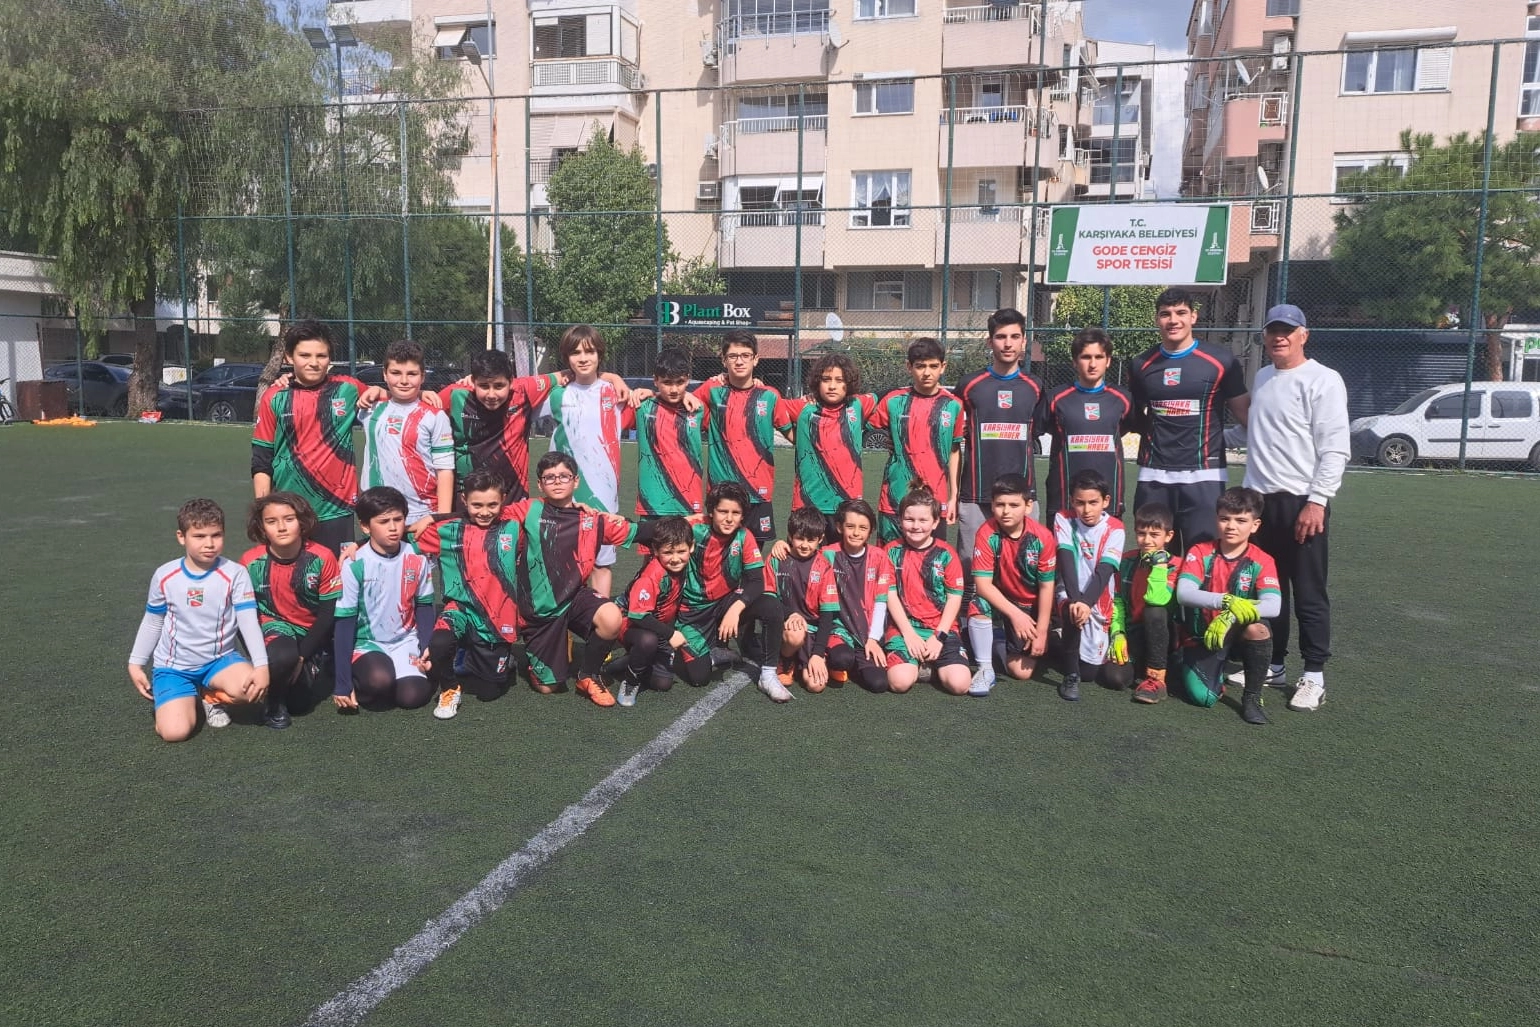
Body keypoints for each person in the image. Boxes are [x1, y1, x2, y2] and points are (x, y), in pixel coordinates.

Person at [1224, 304, 1348, 712]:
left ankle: (1314, 676)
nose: (1280, 337)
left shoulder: (1324, 380)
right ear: (1265, 336)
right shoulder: (1263, 378)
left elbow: (1335, 449)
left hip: (1301, 503)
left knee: (1309, 592)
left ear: (1303, 335)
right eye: (1273, 331)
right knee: (1269, 590)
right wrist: (1203, 435)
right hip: (1259, 504)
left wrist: (1317, 501)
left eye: (1288, 331)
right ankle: (1273, 665)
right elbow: (1252, 432)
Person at [506, 451, 656, 707]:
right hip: (540, 611)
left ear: (576, 481)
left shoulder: (591, 518)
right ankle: (547, 650)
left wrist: (692, 522)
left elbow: (640, 531)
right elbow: (485, 516)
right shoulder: (528, 509)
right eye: (549, 477)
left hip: (574, 597)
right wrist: (437, 519)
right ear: (540, 484)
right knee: (547, 687)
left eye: (564, 476)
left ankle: (588, 675)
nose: (557, 481)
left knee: (611, 616)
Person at [128, 498, 271, 742]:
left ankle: (210, 697)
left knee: (253, 689)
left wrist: (261, 666)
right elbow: (153, 621)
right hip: (174, 668)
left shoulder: (235, 574)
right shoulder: (165, 575)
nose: (209, 544)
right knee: (174, 732)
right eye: (199, 536)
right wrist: (135, 663)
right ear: (181, 537)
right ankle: (178, 700)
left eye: (216, 535)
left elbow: (248, 621)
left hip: (219, 661)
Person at [1128, 287, 1249, 552]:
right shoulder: (1140, 364)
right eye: (1166, 314)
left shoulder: (1221, 361)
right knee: (1155, 560)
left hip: (1204, 476)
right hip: (1155, 476)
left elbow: (1247, 417)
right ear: (1156, 319)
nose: (1173, 320)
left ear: (1193, 316)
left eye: (1181, 312)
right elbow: (1134, 417)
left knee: (1201, 558)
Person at [413, 470, 525, 720]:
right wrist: (359, 543)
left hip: (497, 617)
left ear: (503, 500)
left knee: (489, 691)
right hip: (460, 609)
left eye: (492, 505)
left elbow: (551, 505)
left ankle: (495, 659)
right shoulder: (446, 530)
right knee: (439, 643)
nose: (484, 512)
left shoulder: (514, 524)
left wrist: (580, 507)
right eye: (477, 505)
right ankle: (450, 687)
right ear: (464, 500)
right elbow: (396, 537)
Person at [956, 308, 1046, 616]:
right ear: (989, 342)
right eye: (1000, 337)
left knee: (1023, 569)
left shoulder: (1035, 386)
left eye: (1014, 337)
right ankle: (967, 627)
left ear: (1024, 342)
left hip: (1023, 497)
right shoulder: (970, 385)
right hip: (975, 495)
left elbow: (1039, 429)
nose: (1008, 343)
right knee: (970, 570)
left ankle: (1019, 626)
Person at [252, 320, 370, 553]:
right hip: (290, 510)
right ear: (289, 357)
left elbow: (398, 400)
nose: (314, 363)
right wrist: (263, 511)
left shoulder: (349, 389)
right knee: (294, 573)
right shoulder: (274, 396)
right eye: (304, 355)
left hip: (338, 508)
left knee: (336, 573)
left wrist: (420, 393)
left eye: (321, 356)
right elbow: (261, 459)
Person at [1173, 487, 1282, 726]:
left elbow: (1274, 606)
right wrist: (1225, 600)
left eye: (1241, 520)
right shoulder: (1200, 551)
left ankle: (1252, 697)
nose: (1231, 526)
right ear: (1217, 520)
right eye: (1225, 519)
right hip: (1204, 636)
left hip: (1237, 633)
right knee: (1204, 698)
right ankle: (1195, 664)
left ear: (1255, 525)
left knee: (1258, 629)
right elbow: (1184, 593)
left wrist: (1232, 614)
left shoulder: (1262, 560)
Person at [540, 325, 635, 596]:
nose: (583, 358)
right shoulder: (556, 394)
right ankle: (564, 620)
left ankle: (599, 618)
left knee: (601, 564)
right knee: (563, 561)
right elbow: (518, 399)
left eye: (589, 352)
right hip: (563, 490)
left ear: (599, 355)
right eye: (575, 353)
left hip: (604, 493)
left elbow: (656, 396)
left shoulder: (615, 393)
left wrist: (616, 379)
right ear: (566, 358)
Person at [674, 482, 789, 701]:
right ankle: (714, 651)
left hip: (725, 604)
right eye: (723, 511)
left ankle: (768, 675)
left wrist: (735, 609)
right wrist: (616, 522)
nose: (729, 518)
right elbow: (653, 532)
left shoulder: (744, 536)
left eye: (735, 513)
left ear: (743, 515)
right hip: (694, 611)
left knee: (771, 605)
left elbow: (756, 581)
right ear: (711, 511)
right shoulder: (694, 528)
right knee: (699, 677)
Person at [240, 492, 342, 729]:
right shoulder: (250, 562)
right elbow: (242, 617)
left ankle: (305, 667)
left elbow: (327, 614)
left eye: (289, 519)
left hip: (308, 633)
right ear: (261, 527)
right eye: (271, 521)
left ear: (302, 521)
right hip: (273, 626)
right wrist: (259, 659)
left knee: (300, 704)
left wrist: (303, 655)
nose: (281, 527)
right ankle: (274, 703)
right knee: (283, 656)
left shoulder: (323, 557)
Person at [332, 487, 436, 713]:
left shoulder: (417, 556)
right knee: (378, 681)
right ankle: (363, 675)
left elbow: (425, 606)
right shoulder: (354, 563)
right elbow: (345, 622)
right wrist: (342, 682)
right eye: (383, 521)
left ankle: (397, 672)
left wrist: (427, 646)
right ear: (365, 526)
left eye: (398, 519)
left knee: (413, 696)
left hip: (405, 640)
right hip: (368, 643)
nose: (393, 527)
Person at [966, 473, 1056, 697]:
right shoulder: (986, 533)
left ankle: (993, 639)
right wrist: (1015, 615)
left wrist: (1041, 632)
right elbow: (983, 585)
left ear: (1028, 506)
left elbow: (1047, 587)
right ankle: (985, 669)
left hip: (1029, 606)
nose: (1006, 511)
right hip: (1002, 602)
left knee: (1021, 672)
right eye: (1000, 505)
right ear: (992, 505)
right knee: (978, 603)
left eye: (1014, 505)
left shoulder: (1042, 537)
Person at [693, 329, 786, 544]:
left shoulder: (769, 395)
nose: (739, 361)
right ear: (723, 360)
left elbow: (792, 431)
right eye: (733, 356)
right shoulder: (712, 390)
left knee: (754, 555)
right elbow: (678, 400)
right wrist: (648, 393)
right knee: (718, 553)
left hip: (758, 492)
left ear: (756, 359)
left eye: (745, 355)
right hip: (721, 492)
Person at [869, 337, 966, 543]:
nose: (927, 372)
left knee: (931, 559)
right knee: (889, 558)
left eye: (933, 366)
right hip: (894, 497)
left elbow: (954, 450)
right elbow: (862, 422)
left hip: (935, 500)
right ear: (909, 367)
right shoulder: (893, 401)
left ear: (943, 366)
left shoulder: (954, 405)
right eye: (920, 366)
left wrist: (953, 496)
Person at [774, 353, 878, 536]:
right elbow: (768, 402)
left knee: (843, 554)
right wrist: (794, 437)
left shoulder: (858, 405)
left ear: (849, 383)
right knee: (804, 553)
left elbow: (884, 397)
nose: (832, 386)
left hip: (847, 503)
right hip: (807, 503)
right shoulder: (803, 407)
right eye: (826, 379)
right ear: (817, 382)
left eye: (839, 380)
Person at [437, 349, 559, 501]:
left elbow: (562, 376)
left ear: (511, 381)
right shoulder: (455, 394)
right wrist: (422, 393)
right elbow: (419, 409)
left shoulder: (524, 390)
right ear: (473, 381)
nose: (491, 395)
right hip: (467, 497)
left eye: (499, 386)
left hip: (514, 497)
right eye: (484, 386)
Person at [882, 488, 970, 696]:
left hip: (940, 629)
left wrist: (939, 636)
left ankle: (929, 665)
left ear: (935, 522)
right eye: (909, 519)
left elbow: (954, 597)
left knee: (959, 684)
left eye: (923, 520)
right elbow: (890, 594)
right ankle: (922, 665)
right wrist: (909, 634)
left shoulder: (946, 554)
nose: (916, 526)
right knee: (899, 683)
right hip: (905, 629)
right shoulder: (891, 551)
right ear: (900, 520)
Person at [1040, 327, 1135, 518]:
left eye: (1099, 357)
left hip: (1107, 501)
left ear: (1108, 361)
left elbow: (1125, 427)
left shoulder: (1123, 398)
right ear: (1075, 361)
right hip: (1064, 500)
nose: (1092, 364)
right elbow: (1039, 428)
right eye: (1086, 357)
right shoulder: (1055, 398)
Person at [359, 339, 454, 526]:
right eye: (395, 373)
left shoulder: (435, 416)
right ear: (384, 374)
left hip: (421, 515)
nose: (403, 381)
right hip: (377, 513)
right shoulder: (369, 406)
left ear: (423, 376)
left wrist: (441, 519)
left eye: (412, 374)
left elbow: (444, 470)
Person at [605, 515, 696, 706]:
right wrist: (670, 634)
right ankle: (631, 682)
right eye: (668, 552)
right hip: (630, 623)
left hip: (658, 626)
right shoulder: (652, 576)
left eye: (681, 551)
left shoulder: (684, 564)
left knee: (662, 683)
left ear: (691, 547)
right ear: (655, 550)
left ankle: (631, 661)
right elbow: (638, 616)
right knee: (648, 640)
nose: (675, 558)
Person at [1052, 470, 1125, 702]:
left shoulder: (1115, 528)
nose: (1086, 510)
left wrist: (1086, 602)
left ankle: (1056, 640)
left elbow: (1105, 571)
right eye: (1080, 503)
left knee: (1091, 673)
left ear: (1106, 501)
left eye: (1093, 503)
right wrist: (1076, 601)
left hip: (1097, 600)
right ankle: (1070, 675)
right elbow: (1066, 560)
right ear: (1072, 501)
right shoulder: (1064, 518)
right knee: (1071, 612)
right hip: (1070, 594)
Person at [1108, 502, 1180, 704]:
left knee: (1154, 611)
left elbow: (1156, 599)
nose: (1147, 540)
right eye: (1141, 533)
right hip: (1134, 633)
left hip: (1164, 637)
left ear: (1169, 536)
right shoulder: (1126, 560)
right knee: (1113, 678)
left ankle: (1156, 678)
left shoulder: (1177, 566)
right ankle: (1140, 666)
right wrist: (1117, 632)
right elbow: (1117, 601)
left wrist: (1159, 564)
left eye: (1154, 534)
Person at [770, 505, 838, 692]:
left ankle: (808, 659)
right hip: (786, 627)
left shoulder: (824, 565)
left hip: (813, 631)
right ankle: (786, 659)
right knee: (795, 634)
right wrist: (789, 614)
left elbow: (827, 614)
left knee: (816, 685)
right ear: (790, 536)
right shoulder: (777, 559)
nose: (805, 545)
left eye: (811, 540)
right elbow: (767, 598)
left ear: (820, 539)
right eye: (800, 538)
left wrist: (817, 653)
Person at [634, 347, 707, 519]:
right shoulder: (641, 407)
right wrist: (616, 380)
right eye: (667, 382)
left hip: (689, 502)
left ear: (688, 380)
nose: (674, 389)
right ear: (655, 380)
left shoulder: (698, 408)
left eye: (679, 382)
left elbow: (728, 387)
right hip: (652, 503)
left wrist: (756, 382)